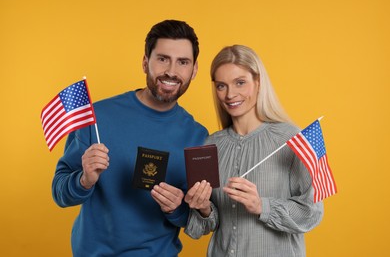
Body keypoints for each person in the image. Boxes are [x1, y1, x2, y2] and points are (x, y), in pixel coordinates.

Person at [52, 20, 208, 257]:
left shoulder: (199, 136)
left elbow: (197, 219)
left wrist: (176, 208)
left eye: (183, 62)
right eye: (162, 58)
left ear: (194, 70)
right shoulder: (97, 118)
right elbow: (59, 193)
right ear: (146, 62)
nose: (172, 71)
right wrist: (84, 180)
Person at [184, 45, 324, 257]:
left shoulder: (290, 139)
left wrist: (261, 206)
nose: (230, 94)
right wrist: (203, 208)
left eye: (240, 83)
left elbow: (311, 212)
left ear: (258, 83)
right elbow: (202, 228)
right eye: (222, 86)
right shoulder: (209, 145)